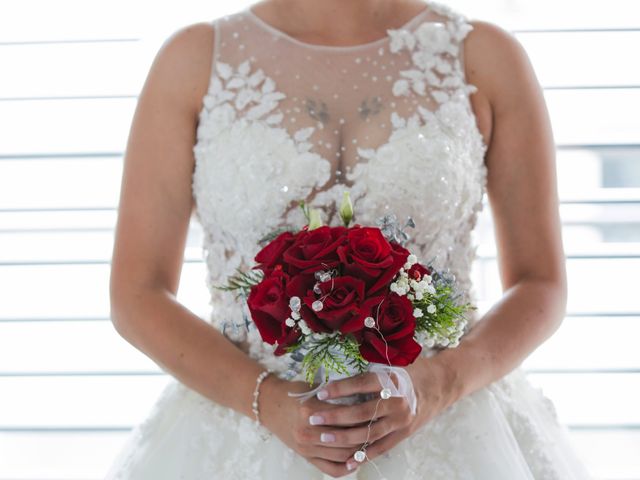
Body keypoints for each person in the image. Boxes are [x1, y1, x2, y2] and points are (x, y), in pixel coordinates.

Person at [106, 0, 593, 478]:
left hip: (451, 425)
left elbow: (540, 282)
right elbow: (137, 293)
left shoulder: (484, 56)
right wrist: (266, 400)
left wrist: (439, 384)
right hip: (240, 425)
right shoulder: (194, 60)